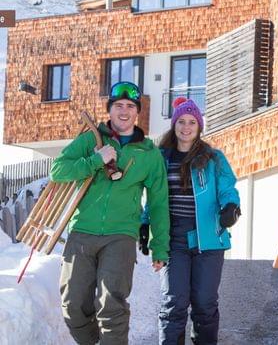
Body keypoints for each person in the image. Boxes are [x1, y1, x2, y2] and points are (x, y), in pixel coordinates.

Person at [51, 81, 170, 345]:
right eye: (118, 105)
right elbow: (58, 170)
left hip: (121, 235)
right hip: (82, 231)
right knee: (73, 305)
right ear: (110, 110)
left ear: (137, 112)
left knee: (111, 305)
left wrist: (160, 245)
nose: (124, 111)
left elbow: (159, 202)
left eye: (130, 106)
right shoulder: (91, 139)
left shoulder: (149, 154)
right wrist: (96, 160)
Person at [155, 97, 241, 345]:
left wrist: (231, 206)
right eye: (181, 121)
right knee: (175, 302)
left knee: (204, 303)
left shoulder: (213, 158)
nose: (186, 127)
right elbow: (153, 196)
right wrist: (144, 222)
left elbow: (227, 187)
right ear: (174, 125)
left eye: (192, 122)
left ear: (199, 126)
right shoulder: (162, 158)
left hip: (209, 236)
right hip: (174, 237)